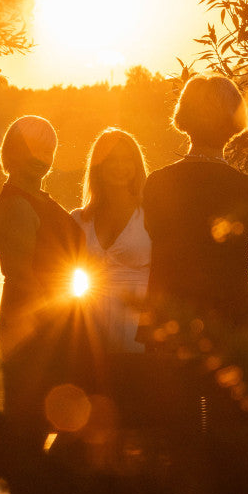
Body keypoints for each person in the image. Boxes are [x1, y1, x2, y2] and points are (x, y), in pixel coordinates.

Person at [138, 74, 248, 484]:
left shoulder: (157, 184)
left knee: (175, 444)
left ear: (185, 118)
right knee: (233, 448)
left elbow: (155, 235)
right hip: (230, 326)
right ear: (234, 123)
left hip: (169, 326)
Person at [0, 115, 86, 480]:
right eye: (31, 149)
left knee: (64, 427)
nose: (40, 157)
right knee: (28, 434)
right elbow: (24, 281)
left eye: (47, 150)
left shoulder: (39, 197)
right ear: (12, 152)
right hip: (30, 331)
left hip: (54, 328)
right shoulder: (16, 203)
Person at [71, 128, 151, 355]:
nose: (120, 166)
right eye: (112, 160)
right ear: (98, 166)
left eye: (127, 159)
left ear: (137, 165)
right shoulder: (78, 219)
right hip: (90, 327)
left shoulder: (151, 215)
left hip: (138, 326)